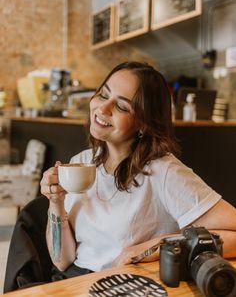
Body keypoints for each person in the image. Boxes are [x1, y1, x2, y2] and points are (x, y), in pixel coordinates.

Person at [40, 61, 236, 278]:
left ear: (143, 123)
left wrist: (158, 246)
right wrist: (56, 202)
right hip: (75, 283)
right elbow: (61, 261)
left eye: (122, 106)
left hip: (124, 287)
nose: (103, 109)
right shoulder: (81, 161)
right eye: (104, 95)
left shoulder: (162, 171)